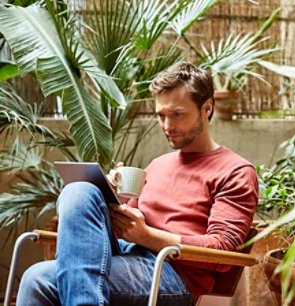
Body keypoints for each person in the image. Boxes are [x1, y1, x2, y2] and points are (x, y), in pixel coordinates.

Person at [16, 62, 258, 306]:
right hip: (127, 253)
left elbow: (223, 251)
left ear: (207, 108)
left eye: (177, 114)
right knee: (79, 190)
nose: (167, 126)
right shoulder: (157, 165)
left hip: (172, 272)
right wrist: (111, 199)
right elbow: (124, 228)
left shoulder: (235, 171)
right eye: (161, 115)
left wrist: (147, 236)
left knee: (39, 279)